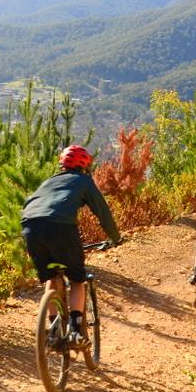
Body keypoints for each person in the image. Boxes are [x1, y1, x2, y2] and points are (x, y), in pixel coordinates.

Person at [21, 145, 121, 348]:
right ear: (85, 167)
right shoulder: (83, 180)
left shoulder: (47, 182)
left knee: (51, 277)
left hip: (30, 227)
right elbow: (102, 212)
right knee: (77, 278)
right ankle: (76, 331)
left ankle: (54, 330)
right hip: (60, 228)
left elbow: (28, 205)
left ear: (62, 164)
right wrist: (115, 237)